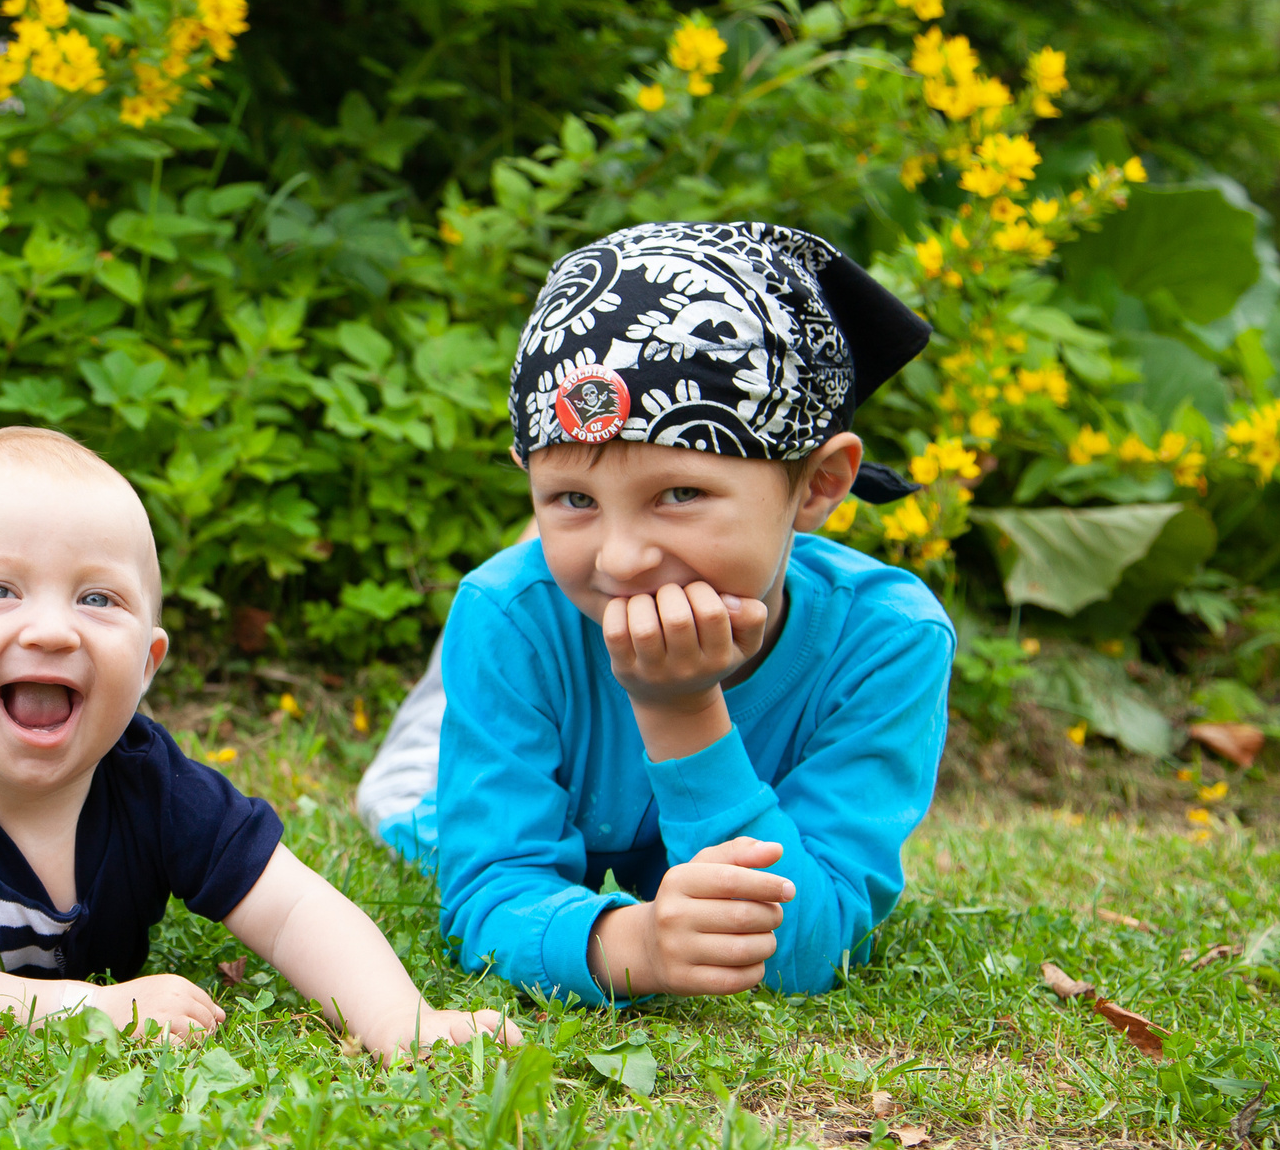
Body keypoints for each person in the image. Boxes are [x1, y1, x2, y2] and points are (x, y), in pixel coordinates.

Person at [0, 426, 520, 1056]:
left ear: (147, 663)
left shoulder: (148, 780)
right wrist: (98, 1008)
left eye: (97, 599)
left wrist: (400, 1019)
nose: (52, 629)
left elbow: (291, 906)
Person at [358, 221, 956, 1003]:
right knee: (406, 796)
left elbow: (808, 947)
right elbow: (492, 892)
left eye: (680, 493)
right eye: (572, 497)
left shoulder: (890, 641)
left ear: (817, 484)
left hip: (562, 617)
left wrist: (681, 708)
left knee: (555, 582)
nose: (621, 557)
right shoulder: (508, 619)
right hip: (519, 637)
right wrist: (628, 944)